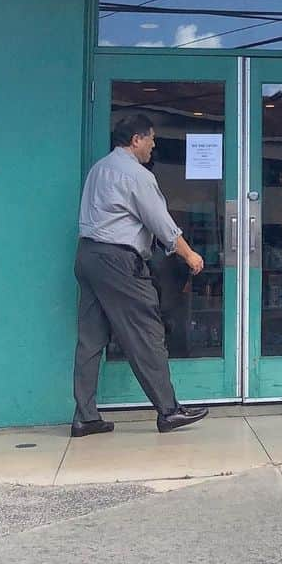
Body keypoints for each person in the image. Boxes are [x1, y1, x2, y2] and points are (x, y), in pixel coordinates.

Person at [71, 113, 210, 437]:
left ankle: (85, 416)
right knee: (147, 332)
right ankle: (169, 410)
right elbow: (161, 224)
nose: (153, 145)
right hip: (119, 261)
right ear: (136, 140)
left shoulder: (99, 169)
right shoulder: (136, 175)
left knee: (90, 338)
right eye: (151, 139)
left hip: (88, 256)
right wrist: (190, 255)